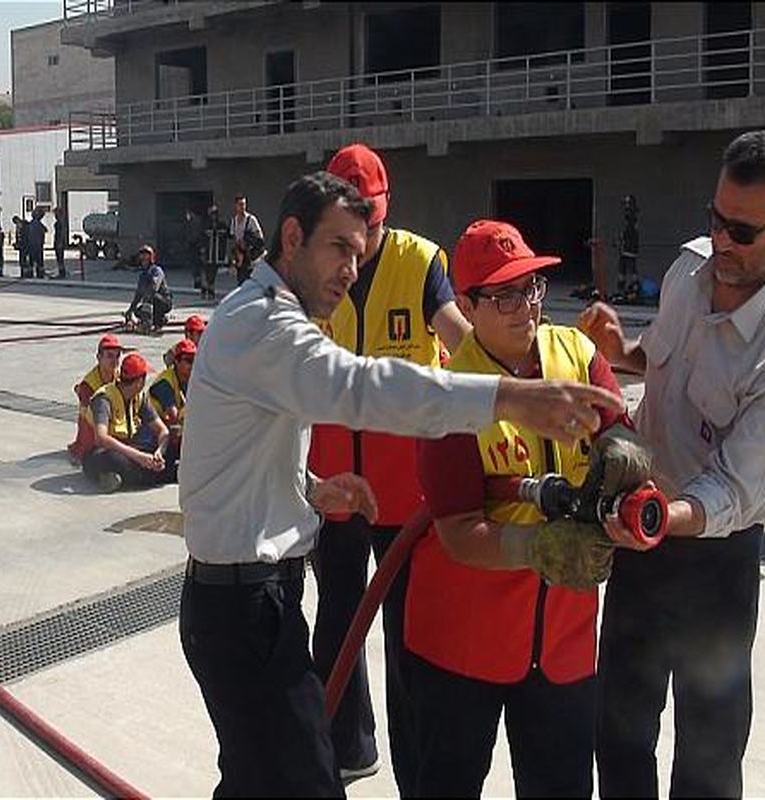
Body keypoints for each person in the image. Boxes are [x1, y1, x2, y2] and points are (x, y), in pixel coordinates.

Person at [178, 171, 624, 796]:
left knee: (258, 778)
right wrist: (509, 398)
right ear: (290, 236)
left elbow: (234, 451)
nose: (350, 271)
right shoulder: (267, 326)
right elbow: (362, 387)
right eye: (338, 248)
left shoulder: (263, 317)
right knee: (301, 782)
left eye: (359, 255)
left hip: (250, 600)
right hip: (242, 607)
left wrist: (307, 488)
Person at [579, 129, 765, 798]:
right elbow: (656, 359)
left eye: (741, 232)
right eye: (716, 220)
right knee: (620, 730)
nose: (721, 242)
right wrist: (618, 347)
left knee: (709, 755)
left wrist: (659, 514)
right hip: (642, 538)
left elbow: (732, 492)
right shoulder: (688, 270)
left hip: (714, 564)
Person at [406, 219, 629, 798]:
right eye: (502, 294)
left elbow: (622, 435)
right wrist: (539, 547)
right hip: (463, 642)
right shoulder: (449, 396)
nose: (523, 307)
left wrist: (628, 457)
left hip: (563, 643)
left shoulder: (575, 354)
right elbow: (457, 532)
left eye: (530, 287)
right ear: (464, 304)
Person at [308, 142, 472, 789]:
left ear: (386, 209)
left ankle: (418, 776)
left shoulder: (420, 261)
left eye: (370, 222)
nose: (359, 240)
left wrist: (511, 385)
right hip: (335, 488)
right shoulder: (311, 269)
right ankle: (346, 747)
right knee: (337, 625)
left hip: (407, 493)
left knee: (411, 640)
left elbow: (457, 334)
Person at [82, 352, 175, 492]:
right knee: (114, 460)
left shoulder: (139, 397)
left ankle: (132, 476)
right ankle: (161, 475)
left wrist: (159, 452)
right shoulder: (104, 398)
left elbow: (163, 431)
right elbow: (101, 438)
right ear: (140, 381)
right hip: (101, 452)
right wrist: (139, 457)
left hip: (129, 448)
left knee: (172, 446)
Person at [68, 334, 124, 464]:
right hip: (93, 426)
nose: (114, 360)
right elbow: (86, 418)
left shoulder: (119, 377)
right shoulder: (88, 385)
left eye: (117, 356)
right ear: (98, 357)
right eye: (109, 356)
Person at [150, 337, 196, 471]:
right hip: (151, 431)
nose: (193, 365)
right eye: (188, 361)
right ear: (176, 361)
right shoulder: (164, 383)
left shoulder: (187, 378)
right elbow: (175, 417)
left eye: (195, 361)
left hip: (168, 427)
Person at [125, 245, 172, 333]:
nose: (143, 259)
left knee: (154, 299)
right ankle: (160, 319)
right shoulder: (142, 275)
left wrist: (146, 303)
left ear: (151, 258)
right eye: (142, 257)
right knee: (138, 311)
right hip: (150, 300)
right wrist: (130, 310)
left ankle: (158, 324)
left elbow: (154, 287)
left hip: (163, 300)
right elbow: (138, 295)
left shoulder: (157, 270)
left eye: (146, 256)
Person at [229, 194, 264, 285]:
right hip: (240, 254)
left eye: (244, 204)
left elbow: (260, 237)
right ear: (236, 206)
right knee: (240, 279)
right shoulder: (234, 220)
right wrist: (235, 257)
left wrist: (249, 242)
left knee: (249, 278)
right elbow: (233, 239)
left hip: (250, 254)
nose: (243, 207)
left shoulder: (251, 219)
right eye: (240, 204)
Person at [203, 204, 229, 301]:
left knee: (213, 271)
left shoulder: (221, 224)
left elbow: (227, 234)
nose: (213, 216)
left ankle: (211, 290)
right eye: (212, 214)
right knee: (207, 272)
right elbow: (202, 236)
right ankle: (208, 289)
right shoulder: (206, 224)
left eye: (215, 214)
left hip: (216, 253)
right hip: (208, 253)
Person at [184, 206, 205, 291]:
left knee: (196, 264)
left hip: (195, 245)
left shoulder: (195, 221)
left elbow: (195, 234)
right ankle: (197, 281)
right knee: (195, 264)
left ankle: (198, 282)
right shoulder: (192, 221)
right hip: (193, 245)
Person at [29, 206, 48, 278]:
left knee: (33, 260)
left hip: (34, 245)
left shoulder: (32, 224)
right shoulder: (37, 224)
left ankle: (32, 273)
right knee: (39, 261)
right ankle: (39, 274)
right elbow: (45, 230)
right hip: (37, 245)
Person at [53, 204, 68, 279]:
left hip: (59, 241)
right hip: (57, 241)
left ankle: (62, 272)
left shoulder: (60, 222)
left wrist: (60, 242)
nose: (55, 215)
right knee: (59, 258)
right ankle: (61, 271)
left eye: (56, 214)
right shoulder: (60, 222)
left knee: (60, 258)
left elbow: (62, 233)